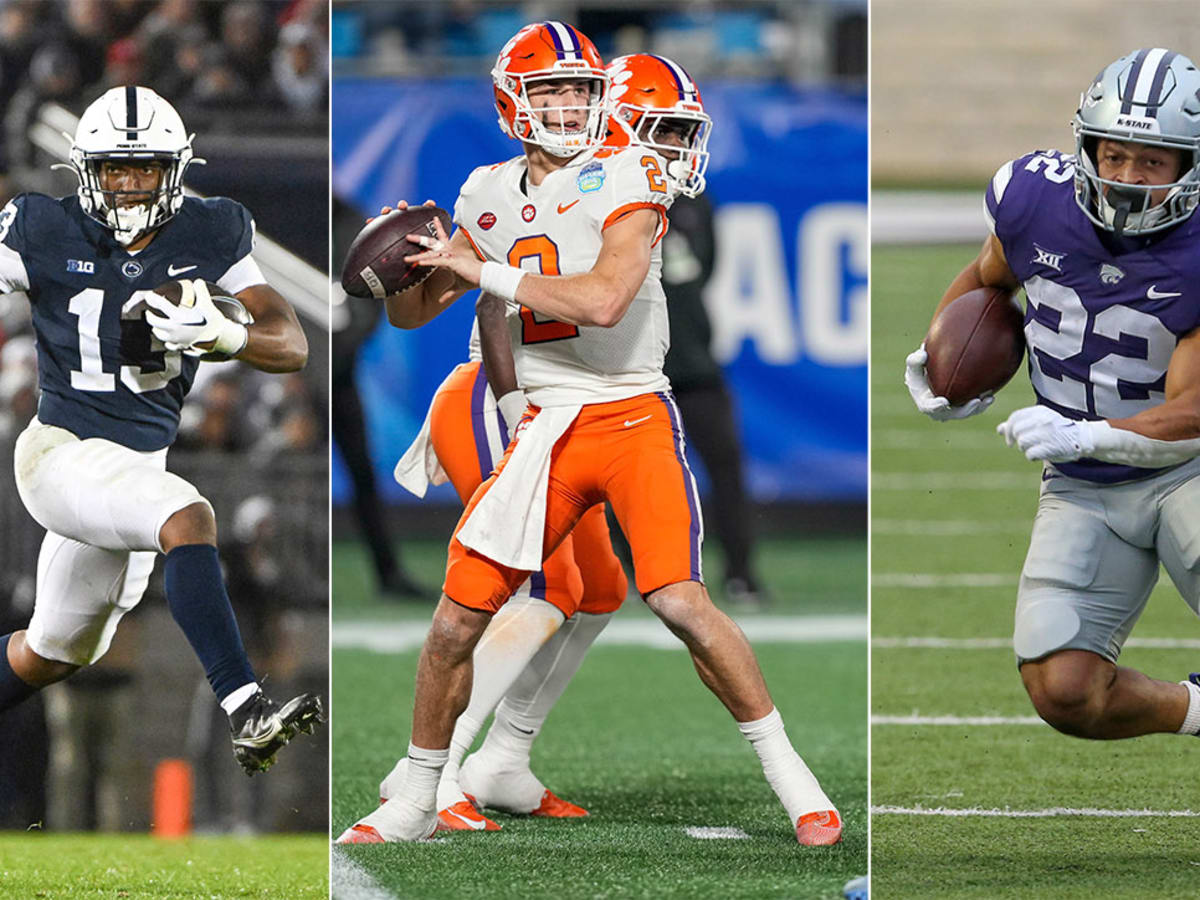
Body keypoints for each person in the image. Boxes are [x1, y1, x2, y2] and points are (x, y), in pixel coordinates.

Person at [336, 23, 840, 845]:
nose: (569, 104)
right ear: (512, 101)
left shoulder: (633, 169)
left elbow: (604, 300)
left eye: (580, 88)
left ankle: (795, 780)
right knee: (456, 621)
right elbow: (417, 309)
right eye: (550, 90)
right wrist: (398, 272)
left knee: (676, 601)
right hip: (538, 423)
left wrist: (482, 270)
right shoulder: (484, 192)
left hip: (628, 412)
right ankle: (417, 793)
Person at [0, 85, 323, 776]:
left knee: (51, 652)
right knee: (189, 514)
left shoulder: (211, 230)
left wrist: (227, 332)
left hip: (132, 471)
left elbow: (290, 341)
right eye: (113, 168)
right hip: (60, 455)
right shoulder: (38, 225)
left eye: (141, 167)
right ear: (86, 170)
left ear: (173, 170)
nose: (126, 183)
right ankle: (247, 711)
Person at [904, 48, 1200, 742]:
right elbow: (987, 278)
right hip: (1086, 486)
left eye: (1152, 163)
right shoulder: (1034, 200)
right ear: (1085, 145)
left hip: (1185, 471)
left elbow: (1191, 416)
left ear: (1189, 167)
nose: (1128, 178)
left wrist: (1086, 433)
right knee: (1065, 689)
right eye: (1115, 154)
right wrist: (940, 364)